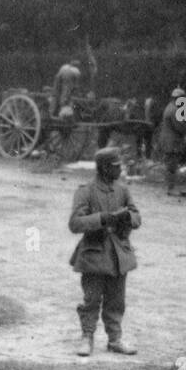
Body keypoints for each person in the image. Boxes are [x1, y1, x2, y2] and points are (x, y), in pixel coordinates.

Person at [68, 147, 141, 357]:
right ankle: (87, 337)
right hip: (93, 254)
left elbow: (137, 216)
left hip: (119, 254)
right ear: (104, 168)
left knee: (116, 300)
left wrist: (128, 218)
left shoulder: (123, 190)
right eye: (116, 167)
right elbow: (74, 223)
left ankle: (115, 339)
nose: (120, 170)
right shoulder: (86, 191)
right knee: (91, 299)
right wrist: (101, 219)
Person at [158, 86, 186, 194]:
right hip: (171, 141)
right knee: (172, 165)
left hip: (168, 140)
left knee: (171, 164)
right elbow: (180, 127)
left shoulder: (169, 107)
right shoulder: (174, 110)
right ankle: (171, 189)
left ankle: (170, 188)